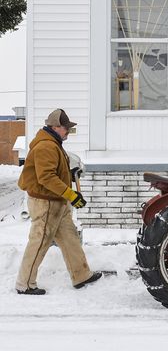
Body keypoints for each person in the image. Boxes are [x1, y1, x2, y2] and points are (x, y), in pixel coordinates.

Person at [15, 109, 102, 295]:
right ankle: (24, 284)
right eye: (66, 128)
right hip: (45, 203)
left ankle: (81, 275)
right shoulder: (46, 146)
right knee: (39, 242)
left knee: (70, 239)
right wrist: (71, 195)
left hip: (57, 202)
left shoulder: (54, 143)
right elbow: (46, 177)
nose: (68, 132)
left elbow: (54, 169)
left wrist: (68, 173)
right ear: (55, 127)